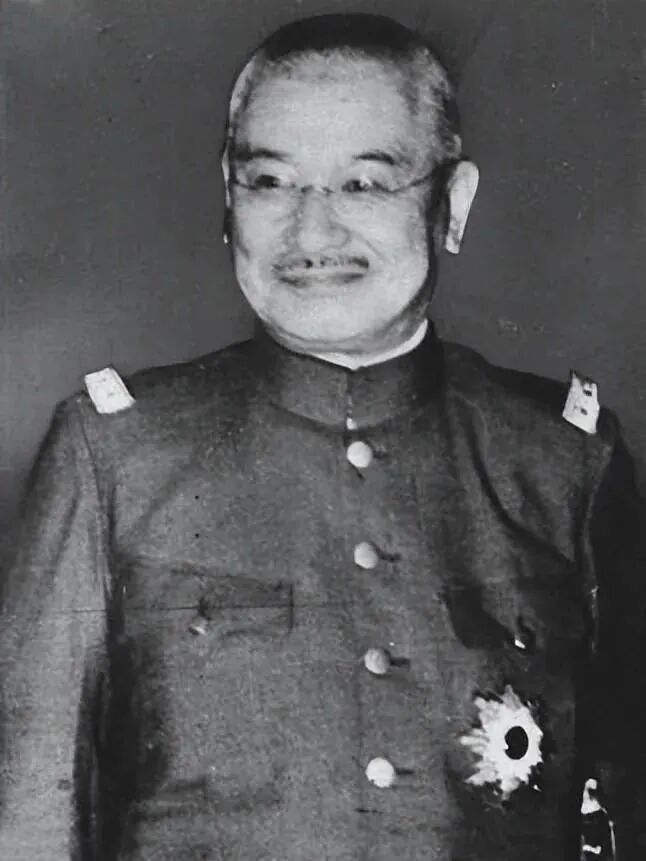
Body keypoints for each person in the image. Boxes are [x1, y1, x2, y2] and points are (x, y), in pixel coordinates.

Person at [1, 13, 644, 861]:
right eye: (270, 181)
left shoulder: (562, 464)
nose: (312, 234)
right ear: (228, 198)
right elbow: (29, 816)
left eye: (364, 185)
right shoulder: (115, 458)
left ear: (451, 206)